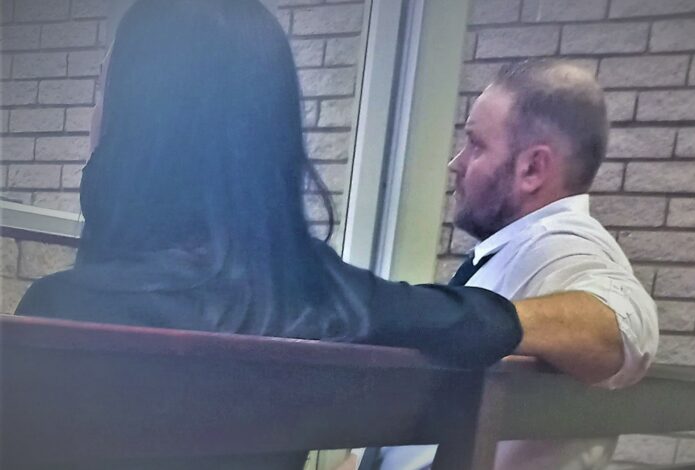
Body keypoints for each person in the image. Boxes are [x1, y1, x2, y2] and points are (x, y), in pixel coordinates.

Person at [14, 1, 524, 468]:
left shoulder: (62, 313)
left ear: (135, 126)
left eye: (104, 92)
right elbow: (482, 322)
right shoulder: (323, 295)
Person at [355, 62, 659, 470]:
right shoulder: (517, 251)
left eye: (475, 144)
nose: (456, 162)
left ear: (532, 168)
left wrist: (435, 316)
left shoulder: (563, 245)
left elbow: (628, 328)